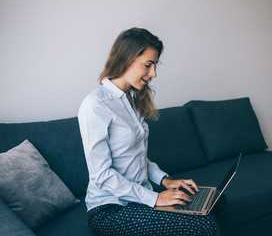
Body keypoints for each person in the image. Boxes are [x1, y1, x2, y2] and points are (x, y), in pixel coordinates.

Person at [78, 27, 226, 235]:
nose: (153, 74)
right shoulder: (96, 104)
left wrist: (166, 181)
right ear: (127, 59)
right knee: (204, 225)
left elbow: (135, 158)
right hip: (111, 208)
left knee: (216, 201)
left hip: (140, 197)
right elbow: (102, 174)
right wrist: (156, 198)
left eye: (155, 65)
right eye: (148, 65)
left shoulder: (133, 99)